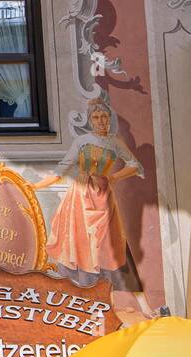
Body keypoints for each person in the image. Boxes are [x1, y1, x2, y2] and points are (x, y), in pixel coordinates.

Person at [33, 97, 154, 317]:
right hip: (80, 198)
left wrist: (113, 178)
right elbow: (61, 171)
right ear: (90, 120)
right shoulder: (82, 141)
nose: (101, 121)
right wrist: (32, 186)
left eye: (104, 117)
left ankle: (142, 306)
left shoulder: (115, 142)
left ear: (109, 120)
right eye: (96, 117)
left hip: (103, 198)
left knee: (113, 249)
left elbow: (135, 165)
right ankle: (84, 305)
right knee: (79, 250)